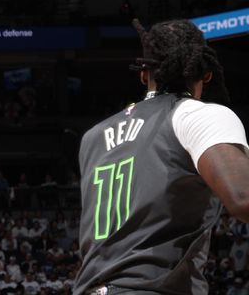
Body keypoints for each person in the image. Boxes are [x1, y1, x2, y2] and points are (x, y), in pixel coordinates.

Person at [73, 18, 249, 295]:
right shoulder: (198, 115)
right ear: (206, 73)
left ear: (144, 74)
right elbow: (242, 199)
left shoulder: (93, 136)